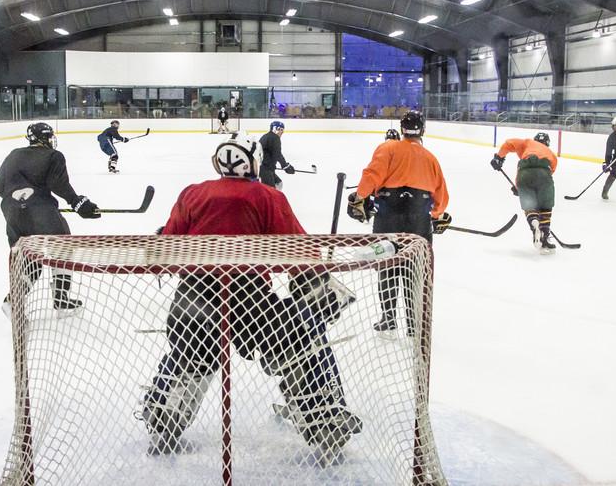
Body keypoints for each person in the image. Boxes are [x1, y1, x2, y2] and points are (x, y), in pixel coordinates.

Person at [140, 133, 361, 460]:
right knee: (298, 344)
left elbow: (167, 247)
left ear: (220, 162)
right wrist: (317, 283)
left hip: (192, 296)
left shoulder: (193, 194)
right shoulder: (268, 196)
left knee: (190, 352)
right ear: (254, 163)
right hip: (250, 300)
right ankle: (323, 416)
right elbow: (298, 249)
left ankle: (165, 412)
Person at [347, 111, 451, 336]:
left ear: (402, 129)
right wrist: (436, 215)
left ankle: (389, 320)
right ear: (422, 130)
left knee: (387, 266)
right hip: (418, 220)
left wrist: (359, 198)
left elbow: (371, 175)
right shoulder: (430, 158)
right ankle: (415, 325)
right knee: (414, 270)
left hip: (388, 215)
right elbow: (441, 197)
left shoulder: (388, 148)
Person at [0, 122, 100, 314]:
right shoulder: (53, 155)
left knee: (31, 261)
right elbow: (58, 183)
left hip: (12, 213)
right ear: (46, 138)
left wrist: (20, 201)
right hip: (40, 212)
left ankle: (11, 301)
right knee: (64, 249)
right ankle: (61, 300)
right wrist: (78, 203)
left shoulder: (13, 154)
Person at [491, 132, 557, 254]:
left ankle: (534, 223)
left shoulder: (527, 143)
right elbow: (549, 173)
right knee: (545, 206)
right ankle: (544, 237)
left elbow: (508, 143)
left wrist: (499, 157)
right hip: (544, 174)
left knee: (529, 206)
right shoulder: (552, 155)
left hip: (524, 174)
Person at [259, 121, 295, 190]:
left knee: (279, 183)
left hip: (264, 168)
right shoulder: (275, 138)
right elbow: (277, 154)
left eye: (282, 130)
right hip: (265, 169)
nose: (282, 132)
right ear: (274, 129)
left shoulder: (266, 136)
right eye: (280, 129)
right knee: (270, 192)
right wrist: (285, 166)